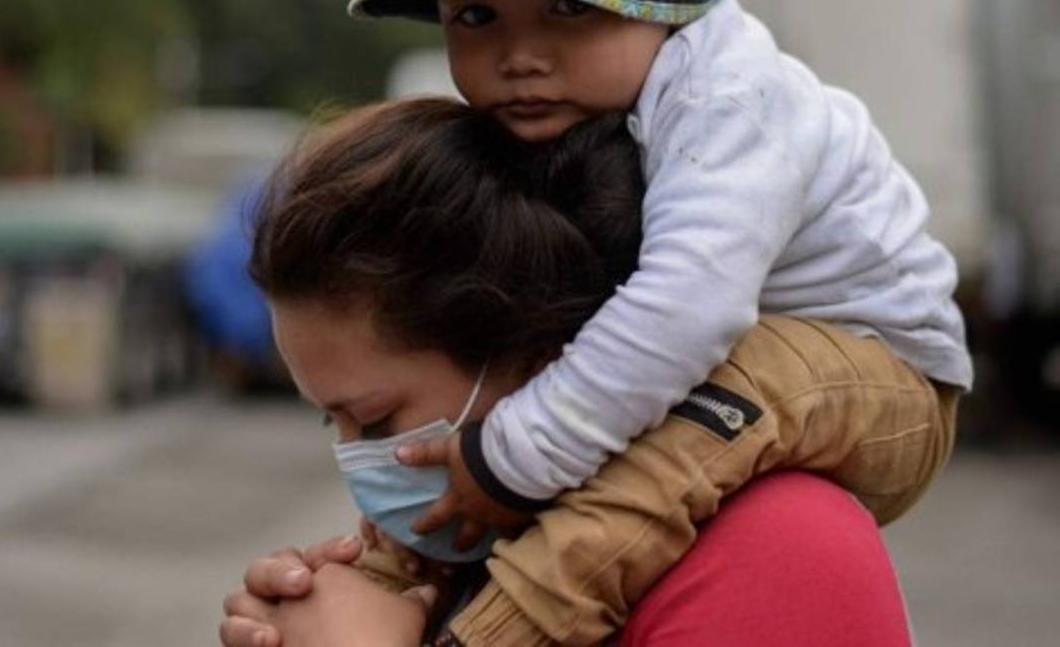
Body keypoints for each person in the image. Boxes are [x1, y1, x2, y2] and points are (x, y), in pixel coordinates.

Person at [339, 0, 969, 643]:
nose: (520, 55)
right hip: (728, 349)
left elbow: (689, 306)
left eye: (567, 6)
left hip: (876, 374)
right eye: (476, 16)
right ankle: (362, 588)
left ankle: (505, 627)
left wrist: (513, 456)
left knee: (670, 436)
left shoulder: (731, 99)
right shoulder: (576, 119)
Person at [220, 99, 921, 646]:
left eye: (375, 420)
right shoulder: (465, 558)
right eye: (331, 421)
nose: (357, 463)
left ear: (538, 358)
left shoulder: (780, 548)